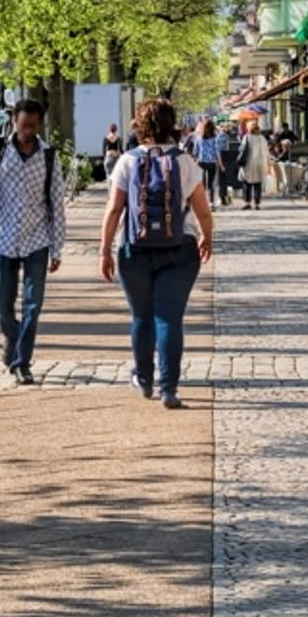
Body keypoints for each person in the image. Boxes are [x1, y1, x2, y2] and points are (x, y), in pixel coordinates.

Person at [101, 98, 214, 409]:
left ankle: (145, 380)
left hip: (133, 250)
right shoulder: (185, 162)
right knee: (169, 319)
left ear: (140, 126)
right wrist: (207, 238)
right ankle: (169, 388)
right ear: (171, 124)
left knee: (141, 316)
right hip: (180, 249)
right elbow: (202, 211)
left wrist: (105, 251)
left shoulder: (127, 161)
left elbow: (114, 210)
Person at [0, 98, 68, 385]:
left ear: (40, 124)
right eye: (23, 124)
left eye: (33, 125)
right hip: (3, 238)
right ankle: (12, 337)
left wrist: (57, 246)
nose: (28, 130)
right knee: (2, 303)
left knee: (32, 304)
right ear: (14, 120)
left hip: (36, 239)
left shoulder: (49, 156)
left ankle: (22, 361)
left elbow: (56, 201)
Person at [238, 121, 271, 211]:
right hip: (260, 163)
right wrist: (268, 164)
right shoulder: (262, 138)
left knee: (247, 183)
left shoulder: (247, 137)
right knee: (258, 184)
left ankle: (247, 202)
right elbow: (267, 152)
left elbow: (242, 149)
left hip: (249, 163)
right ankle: (257, 203)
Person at [192, 117, 222, 197]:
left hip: (201, 162)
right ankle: (211, 202)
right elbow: (217, 152)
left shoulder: (198, 139)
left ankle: (203, 200)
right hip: (212, 163)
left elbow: (195, 152)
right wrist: (221, 164)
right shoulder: (215, 139)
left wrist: (195, 162)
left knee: (202, 183)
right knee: (211, 183)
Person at [218, 122, 241, 206]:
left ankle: (223, 198)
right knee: (233, 179)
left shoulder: (219, 138)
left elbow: (218, 151)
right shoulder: (236, 138)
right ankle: (231, 196)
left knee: (223, 181)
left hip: (223, 159)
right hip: (233, 159)